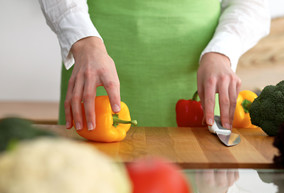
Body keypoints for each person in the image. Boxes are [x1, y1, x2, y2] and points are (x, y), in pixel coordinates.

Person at [38, 0, 270, 129]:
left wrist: (221, 52)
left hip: (199, 77)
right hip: (95, 66)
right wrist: (83, 43)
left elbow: (252, 4)